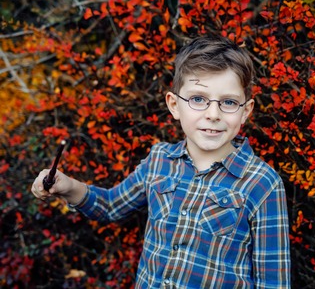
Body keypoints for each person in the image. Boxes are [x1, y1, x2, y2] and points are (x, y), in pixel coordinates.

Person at [31, 35, 291, 288]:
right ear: (174, 104)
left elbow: (274, 282)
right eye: (198, 99)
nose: (213, 114)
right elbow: (111, 206)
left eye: (229, 102)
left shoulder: (263, 184)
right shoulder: (159, 161)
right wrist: (67, 186)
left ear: (246, 111)